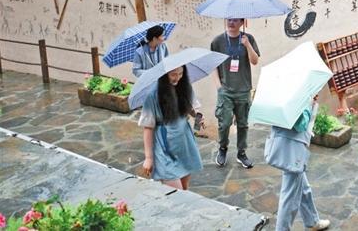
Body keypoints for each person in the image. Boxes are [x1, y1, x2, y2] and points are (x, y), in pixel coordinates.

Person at [264, 100, 330, 231]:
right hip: (292, 146)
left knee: (302, 186)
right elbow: (301, 124)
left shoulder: (279, 93)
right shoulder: (294, 95)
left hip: (286, 143)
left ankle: (312, 221)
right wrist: (310, 104)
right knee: (290, 195)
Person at [138, 65, 204, 190]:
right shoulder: (153, 95)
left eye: (180, 73)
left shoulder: (184, 86)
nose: (177, 78)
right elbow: (148, 128)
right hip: (164, 146)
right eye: (173, 74)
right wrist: (148, 158)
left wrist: (197, 116)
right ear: (164, 75)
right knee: (176, 191)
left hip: (184, 142)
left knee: (184, 189)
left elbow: (190, 108)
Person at [211, 18, 260, 168]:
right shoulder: (218, 41)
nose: (231, 22)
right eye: (229, 19)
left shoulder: (248, 38)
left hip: (243, 90)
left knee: (243, 124)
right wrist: (219, 87)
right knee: (224, 123)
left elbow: (255, 61)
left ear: (242, 23)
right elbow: (213, 65)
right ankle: (222, 148)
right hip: (226, 91)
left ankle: (241, 153)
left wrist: (247, 45)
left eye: (235, 20)